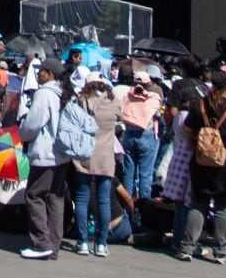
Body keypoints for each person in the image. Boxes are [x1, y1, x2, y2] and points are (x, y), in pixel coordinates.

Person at [176, 72, 226, 263]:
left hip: (201, 162)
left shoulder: (199, 105)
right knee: (223, 208)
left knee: (198, 203)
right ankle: (220, 251)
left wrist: (197, 148)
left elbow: (187, 129)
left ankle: (187, 247)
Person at [17, 57, 66, 259]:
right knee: (55, 197)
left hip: (45, 152)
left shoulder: (45, 93)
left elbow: (33, 124)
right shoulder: (64, 92)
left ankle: (41, 242)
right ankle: (53, 243)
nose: (39, 73)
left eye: (42, 70)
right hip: (62, 154)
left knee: (34, 195)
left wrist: (23, 134)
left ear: (50, 74)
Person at [70, 72, 122, 257]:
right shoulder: (113, 100)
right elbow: (120, 118)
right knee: (104, 200)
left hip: (84, 153)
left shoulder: (81, 100)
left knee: (82, 199)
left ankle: (83, 241)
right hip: (105, 155)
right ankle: (101, 243)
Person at [118, 69, 163, 202]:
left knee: (129, 172)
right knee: (145, 173)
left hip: (129, 135)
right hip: (146, 135)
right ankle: (144, 206)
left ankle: (127, 203)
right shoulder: (152, 98)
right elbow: (158, 116)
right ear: (148, 84)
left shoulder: (127, 96)